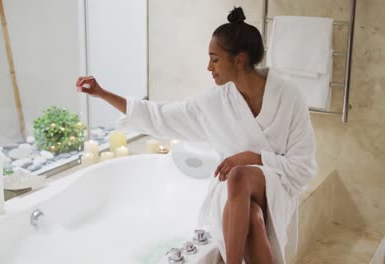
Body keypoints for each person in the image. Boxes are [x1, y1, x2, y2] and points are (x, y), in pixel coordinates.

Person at [76, 7, 317, 264]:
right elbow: (161, 115)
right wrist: (103, 94)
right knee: (252, 217)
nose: (208, 67)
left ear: (239, 60)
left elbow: (303, 168)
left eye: (215, 59)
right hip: (235, 196)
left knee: (239, 174)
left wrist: (253, 157)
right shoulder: (216, 102)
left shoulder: (289, 97)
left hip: (278, 186)